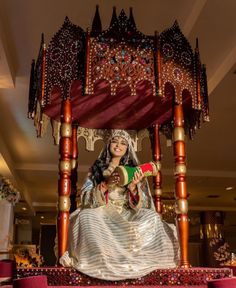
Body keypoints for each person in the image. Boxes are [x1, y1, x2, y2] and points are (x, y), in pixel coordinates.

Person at [59, 130, 179, 280]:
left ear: (128, 148)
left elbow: (142, 204)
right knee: (86, 216)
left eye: (123, 143)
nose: (118, 146)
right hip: (102, 210)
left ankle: (135, 261)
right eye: (115, 141)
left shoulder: (133, 169)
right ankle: (96, 261)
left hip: (126, 211)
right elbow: (85, 198)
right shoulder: (96, 169)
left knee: (152, 217)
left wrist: (133, 186)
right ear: (109, 144)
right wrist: (105, 185)